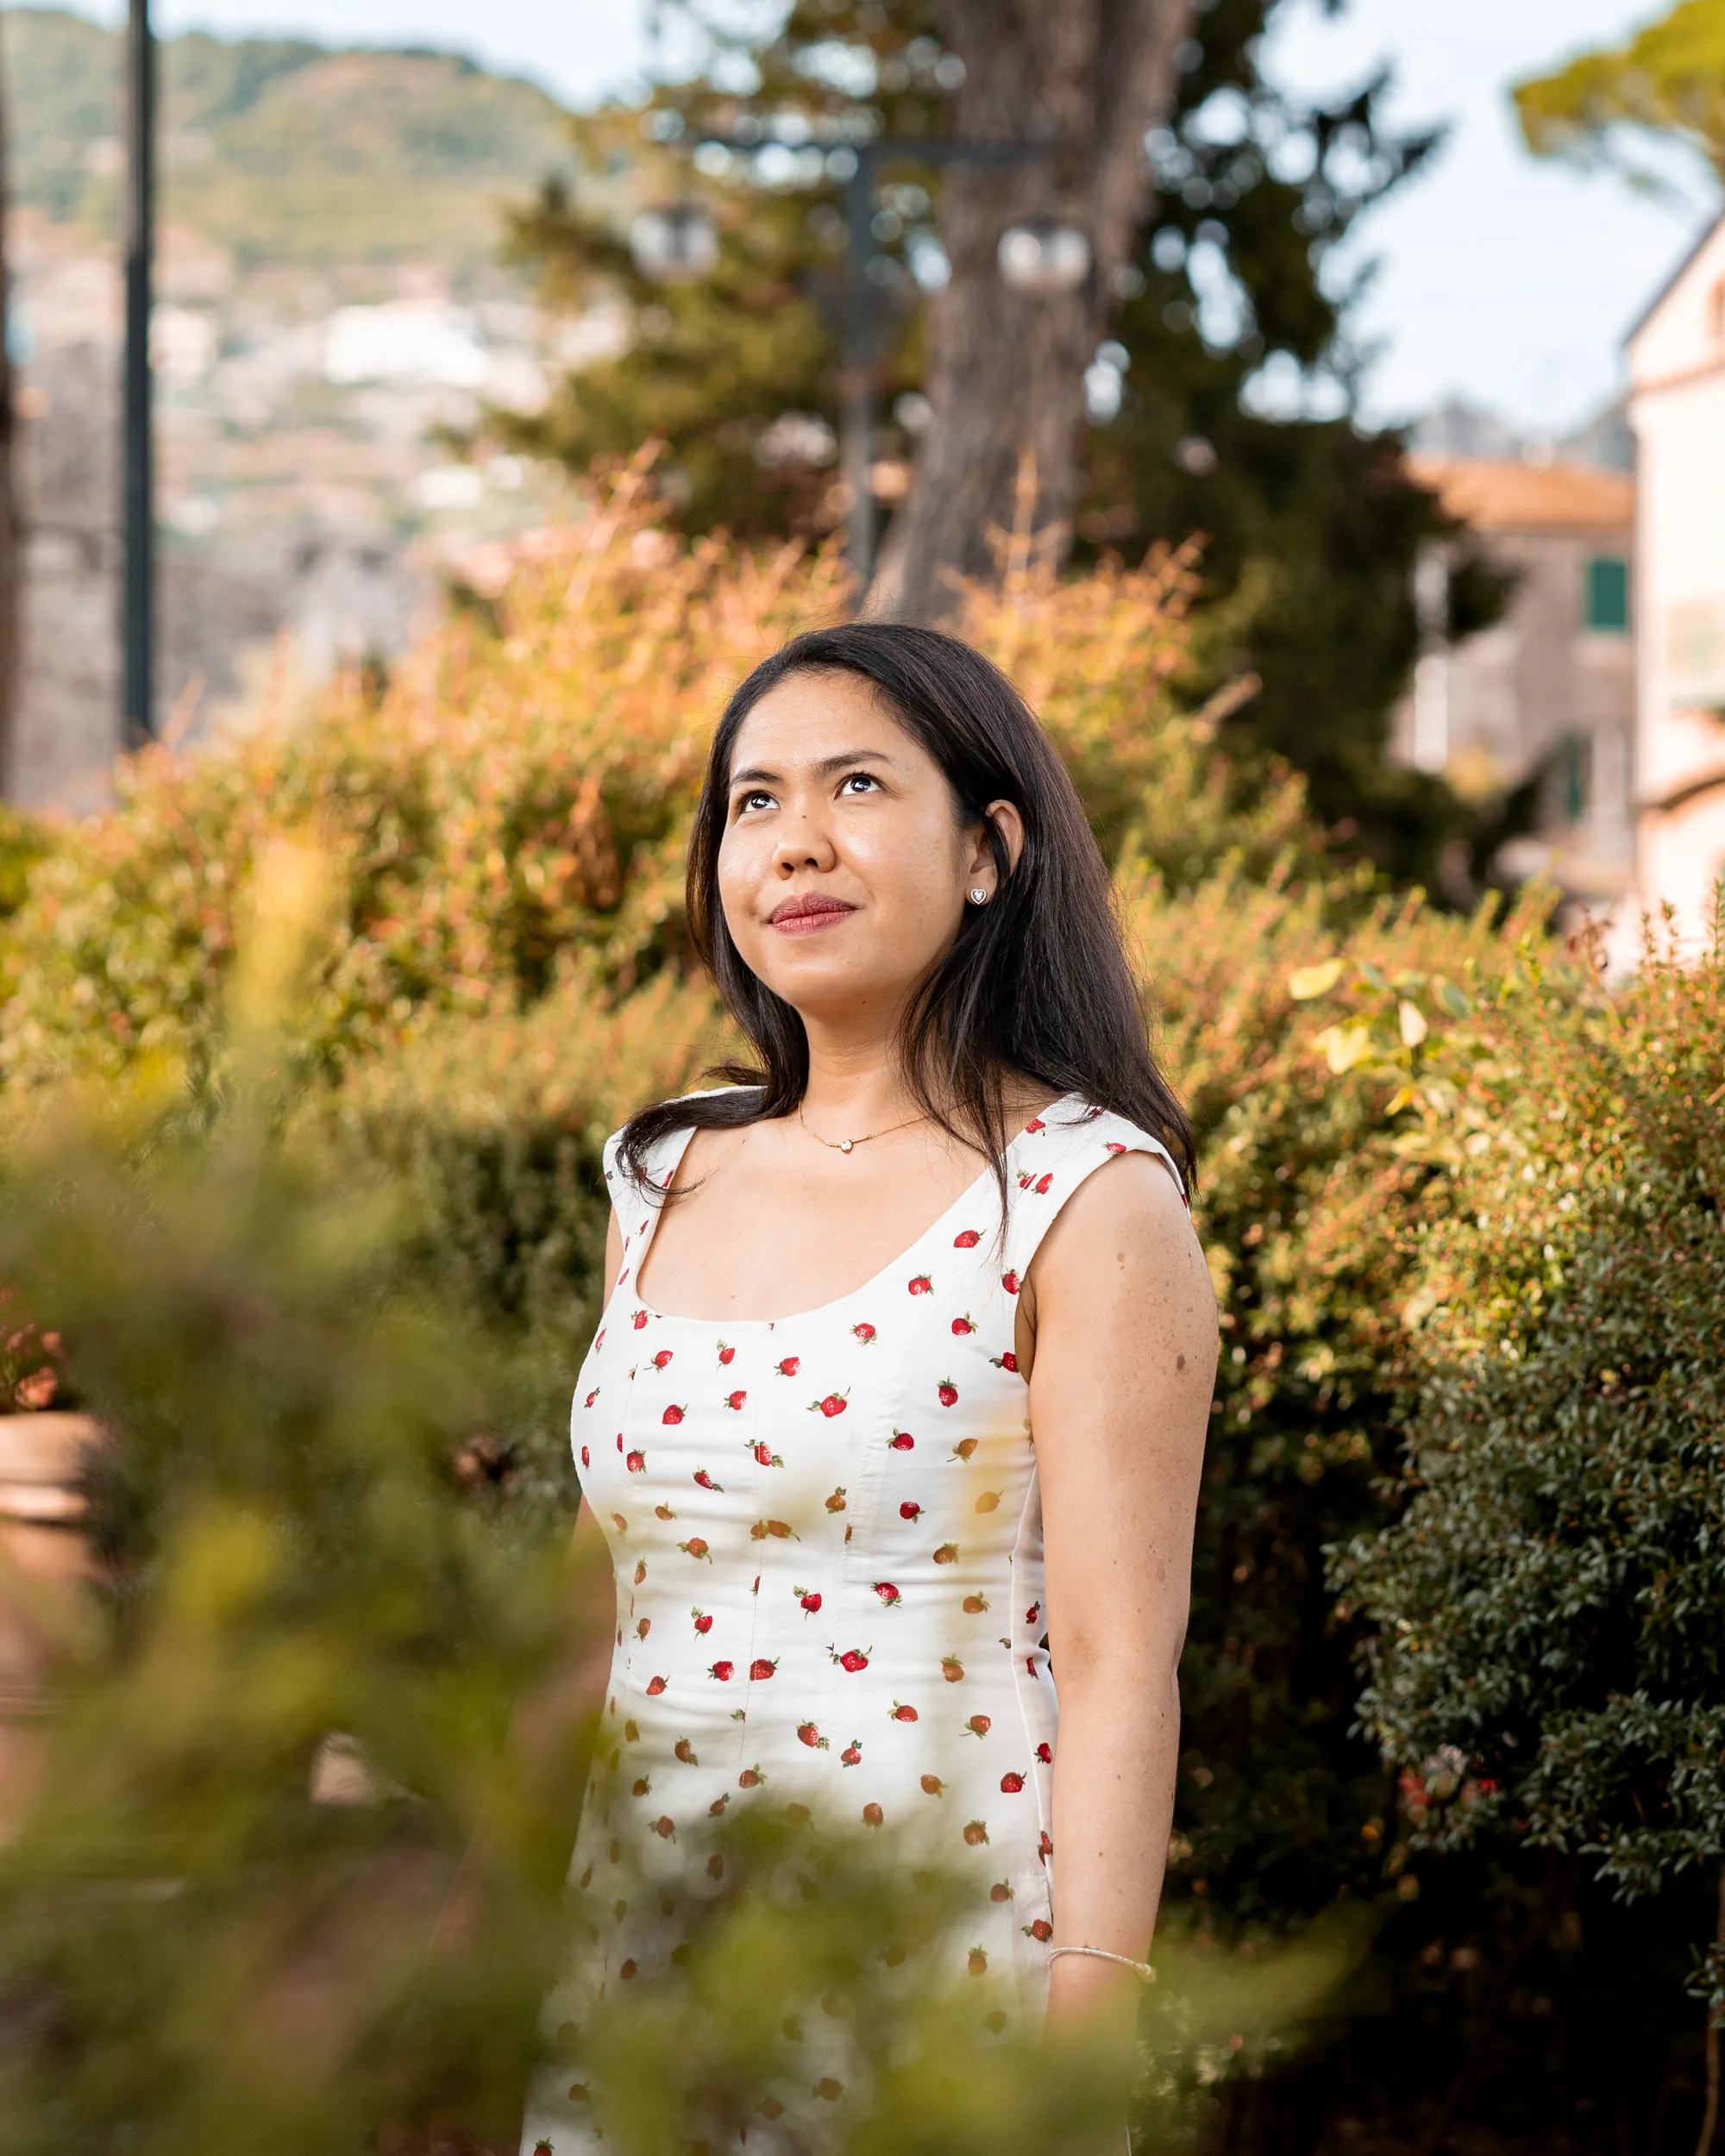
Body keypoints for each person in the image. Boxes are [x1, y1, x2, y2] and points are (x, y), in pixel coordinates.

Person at [521, 623, 1216, 2153]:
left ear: (988, 851)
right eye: (754, 802)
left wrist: (1086, 2037)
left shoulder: (1082, 1195)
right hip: (637, 1964)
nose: (796, 843)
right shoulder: (664, 1169)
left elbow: (1117, 1660)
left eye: (855, 785)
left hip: (936, 1964)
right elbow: (602, 1592)